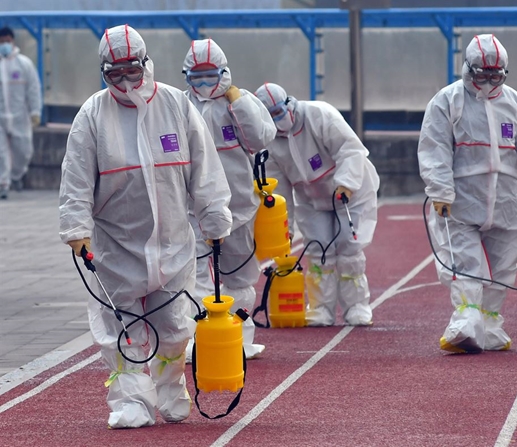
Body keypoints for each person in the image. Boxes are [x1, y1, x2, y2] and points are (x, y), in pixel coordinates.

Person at [59, 24, 232, 428]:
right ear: (103, 72)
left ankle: (170, 387)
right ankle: (132, 401)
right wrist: (75, 228)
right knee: (122, 330)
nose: (124, 82)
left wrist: (215, 217)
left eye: (131, 72)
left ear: (146, 64)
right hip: (117, 247)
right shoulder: (92, 115)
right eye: (114, 74)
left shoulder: (175, 104)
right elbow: (77, 178)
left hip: (173, 244)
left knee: (173, 326)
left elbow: (205, 170)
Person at [417, 34, 517, 354]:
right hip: (460, 200)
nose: (487, 82)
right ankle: (465, 321)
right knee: (464, 261)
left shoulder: (514, 102)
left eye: (495, 76)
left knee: (504, 264)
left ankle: (490, 321)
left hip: (506, 199)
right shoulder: (447, 101)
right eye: (482, 74)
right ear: (468, 68)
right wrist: (440, 190)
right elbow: (434, 148)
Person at [254, 82, 380, 327]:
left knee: (349, 246)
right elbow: (278, 188)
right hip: (311, 197)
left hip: (350, 190)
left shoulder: (319, 114)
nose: (277, 120)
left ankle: (357, 306)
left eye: (279, 112)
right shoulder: (268, 141)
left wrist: (345, 183)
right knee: (318, 250)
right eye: (270, 117)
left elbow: (350, 148)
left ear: (290, 104)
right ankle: (321, 307)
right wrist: (284, 227)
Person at [182, 38, 276, 361]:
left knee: (238, 276)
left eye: (211, 75)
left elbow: (261, 138)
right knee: (195, 275)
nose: (204, 83)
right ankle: (200, 339)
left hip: (239, 208)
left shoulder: (240, 102)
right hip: (194, 209)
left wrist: (238, 102)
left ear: (224, 73)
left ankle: (240, 339)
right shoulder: (180, 105)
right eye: (197, 77)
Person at [0, 26, 42, 199]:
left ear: (13, 41)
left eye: (7, 41)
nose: (4, 45)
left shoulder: (24, 64)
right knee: (1, 152)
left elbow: (33, 88)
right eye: (1, 42)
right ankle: (3, 184)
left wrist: (35, 111)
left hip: (20, 115)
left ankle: (16, 175)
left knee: (23, 150)